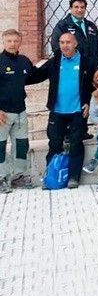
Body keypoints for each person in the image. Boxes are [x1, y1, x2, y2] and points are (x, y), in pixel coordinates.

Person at [36, 32, 94, 189]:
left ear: (75, 44)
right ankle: (50, 177)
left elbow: (94, 85)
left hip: (77, 111)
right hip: (57, 111)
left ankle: (73, 177)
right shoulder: (54, 62)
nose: (65, 45)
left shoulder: (86, 62)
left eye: (68, 42)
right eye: (61, 42)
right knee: (54, 143)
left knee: (75, 144)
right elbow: (36, 75)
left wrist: (88, 103)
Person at [0, 29, 47, 192]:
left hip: (20, 111)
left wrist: (54, 64)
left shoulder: (24, 61)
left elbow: (35, 76)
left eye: (15, 41)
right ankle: (0, 178)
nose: (12, 44)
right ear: (3, 42)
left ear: (20, 42)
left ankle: (18, 176)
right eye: (9, 41)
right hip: (2, 113)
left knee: (21, 145)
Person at [50, 0, 98, 74]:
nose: (79, 10)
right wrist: (69, 62)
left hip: (91, 70)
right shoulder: (63, 25)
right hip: (71, 69)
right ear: (70, 9)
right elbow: (56, 46)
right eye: (76, 7)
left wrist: (95, 62)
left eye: (82, 7)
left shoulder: (91, 26)